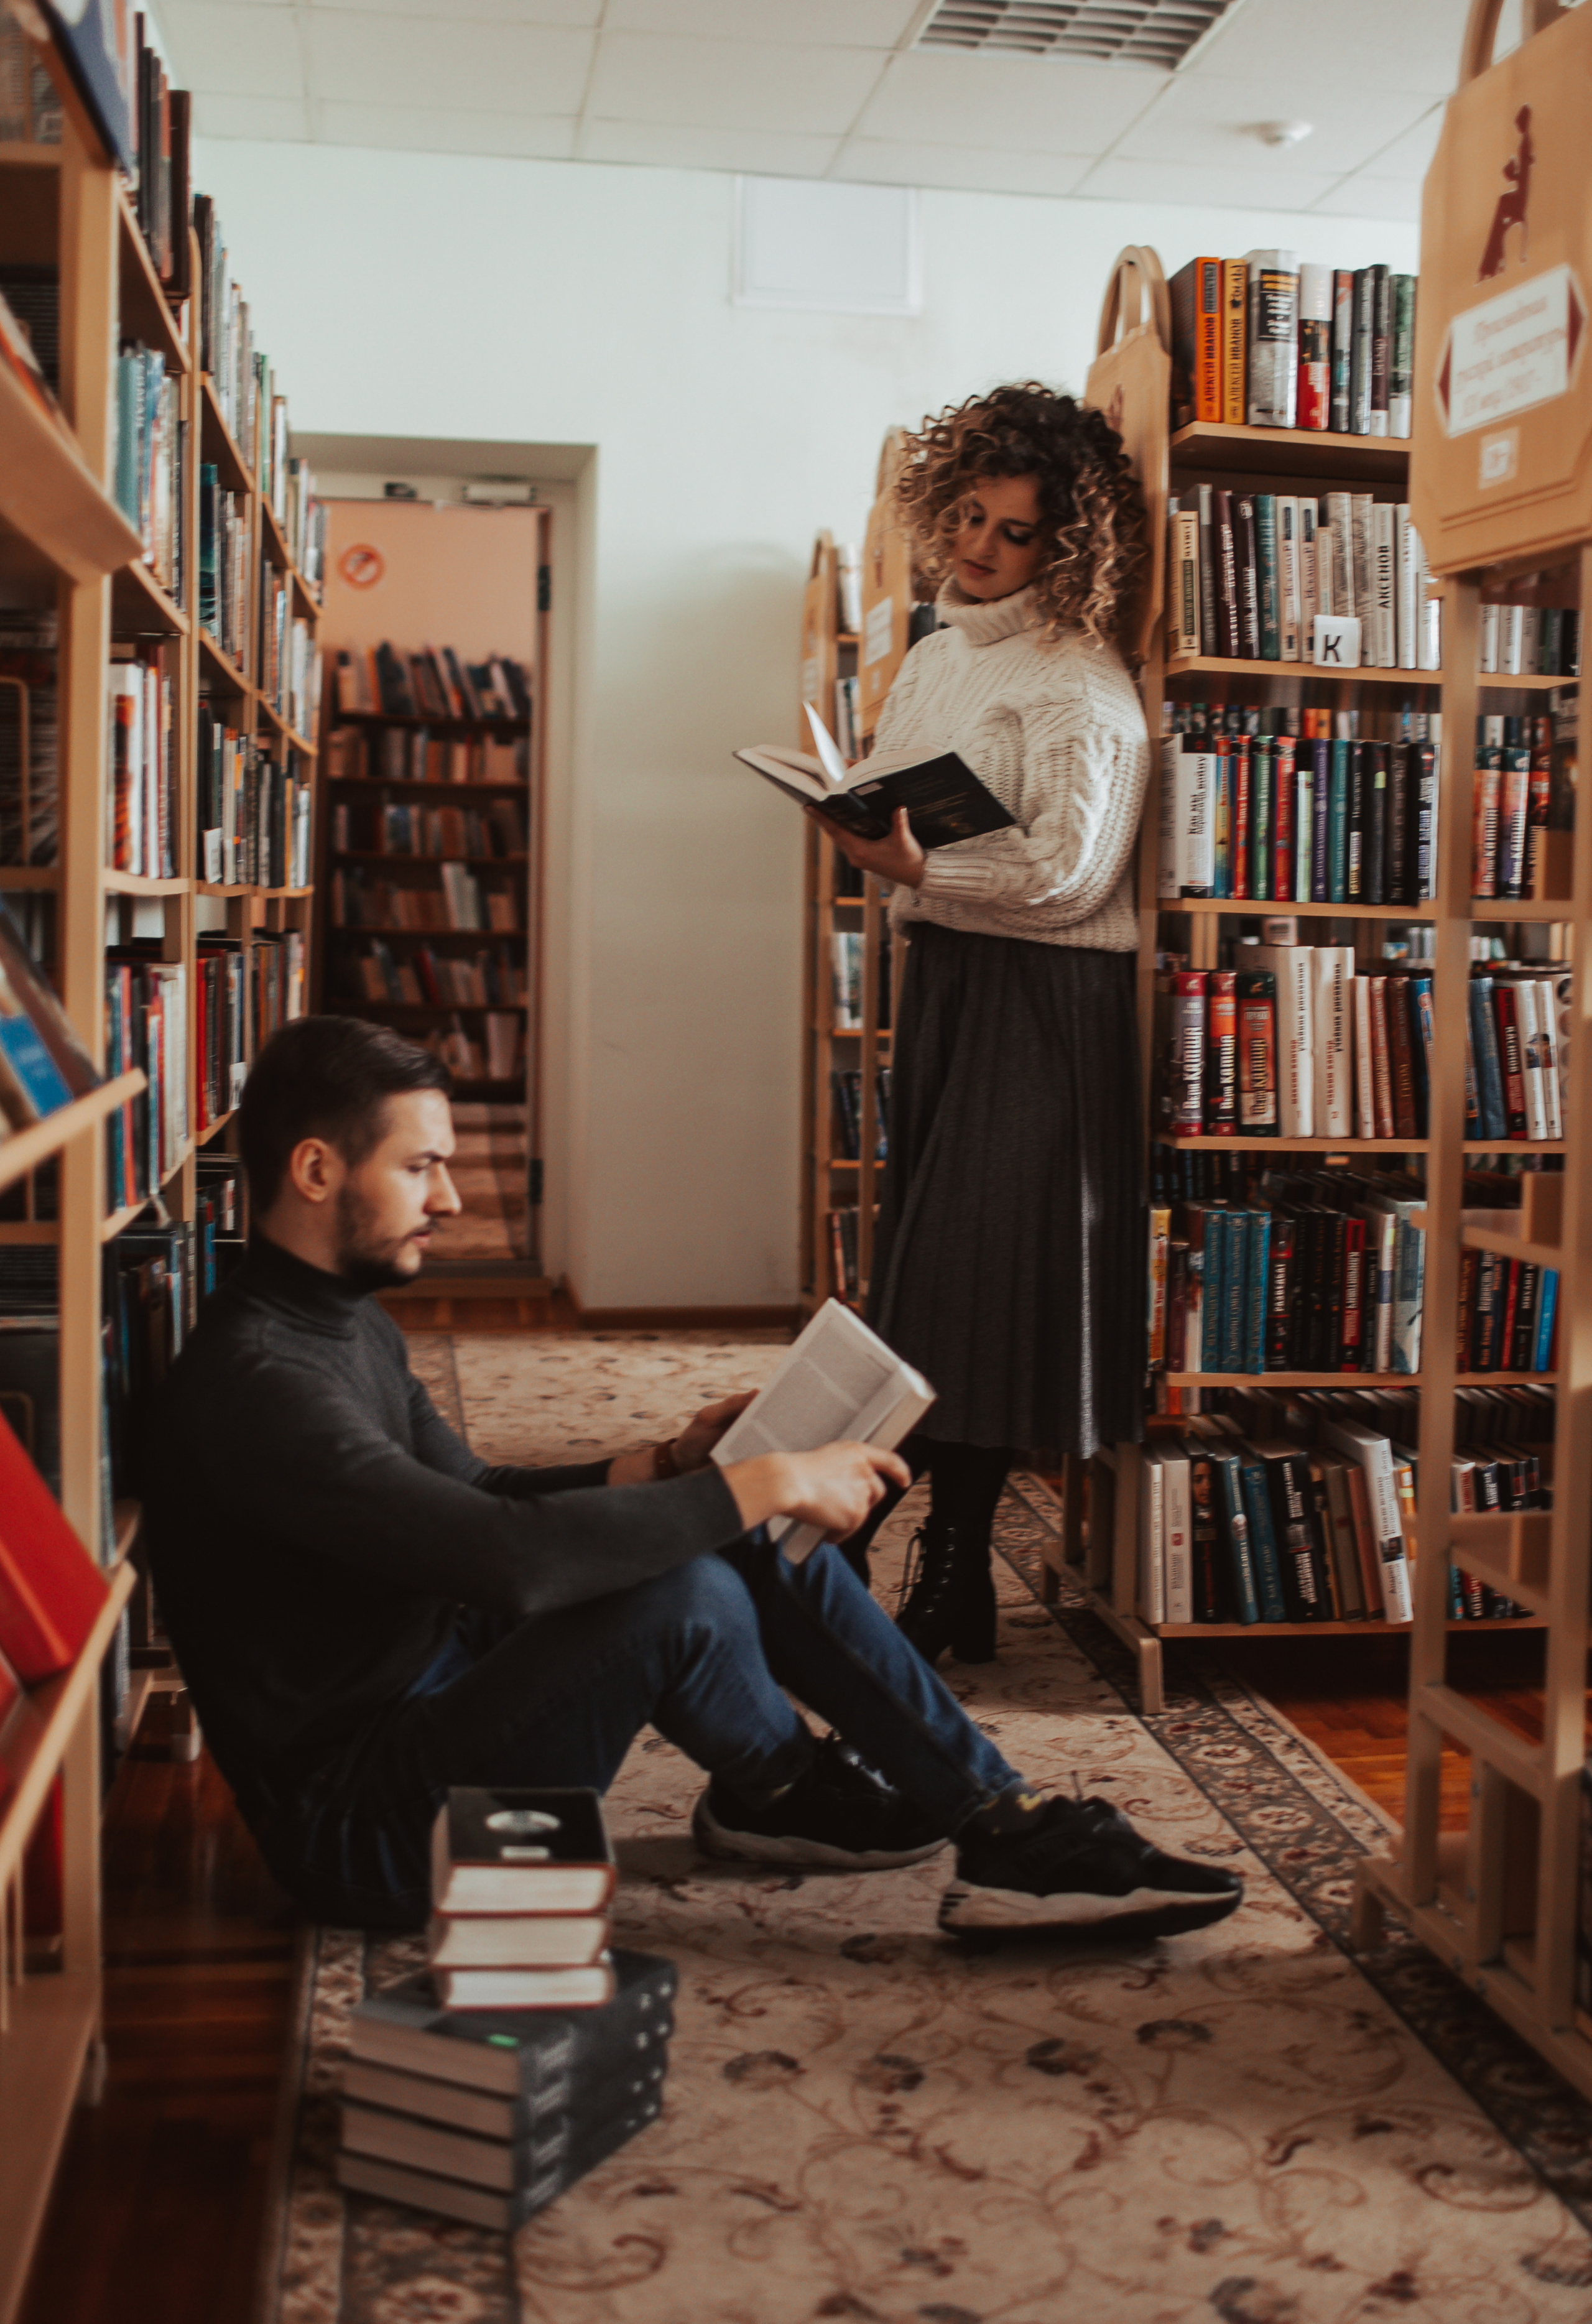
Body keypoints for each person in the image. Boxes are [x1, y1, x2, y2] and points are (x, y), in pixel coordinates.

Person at [141, 1016, 1240, 1942]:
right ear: (317, 1171)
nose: (453, 1199)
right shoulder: (261, 1388)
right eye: (421, 1166)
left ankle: (980, 1818)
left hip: (435, 1685)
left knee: (715, 1523)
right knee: (687, 1576)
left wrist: (669, 1463)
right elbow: (512, 1561)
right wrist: (761, 1482)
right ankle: (800, 1791)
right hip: (368, 1830)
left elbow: (480, 1491)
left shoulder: (339, 1319)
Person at [815, 384, 1152, 1667]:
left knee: (976, 1284)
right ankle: (912, 1563)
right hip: (951, 980)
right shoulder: (935, 653)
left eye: (1015, 531)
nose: (978, 547)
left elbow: (1071, 873)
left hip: (1042, 1000)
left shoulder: (1078, 682)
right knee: (928, 1276)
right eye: (966, 515)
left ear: (1066, 547)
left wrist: (914, 867)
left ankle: (900, 1552)